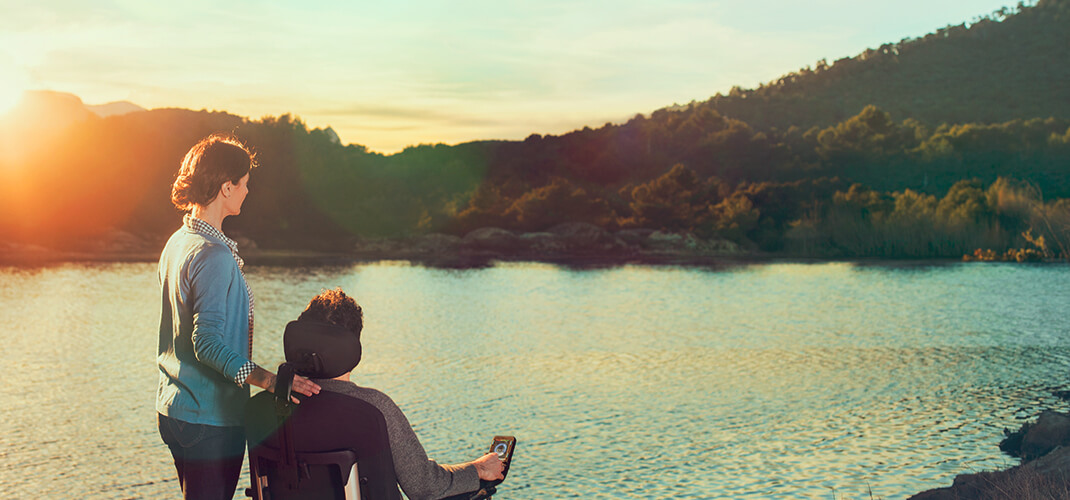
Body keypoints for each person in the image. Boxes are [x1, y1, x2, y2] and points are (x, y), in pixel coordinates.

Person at [156, 133, 321, 500]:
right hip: (210, 421)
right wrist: (271, 380)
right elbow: (207, 344)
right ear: (227, 187)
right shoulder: (213, 255)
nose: (248, 191)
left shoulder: (178, 241)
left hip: (173, 412)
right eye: (244, 183)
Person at [289, 288, 503, 499]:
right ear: (354, 346)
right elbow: (424, 486)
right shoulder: (373, 408)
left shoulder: (271, 404)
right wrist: (477, 469)